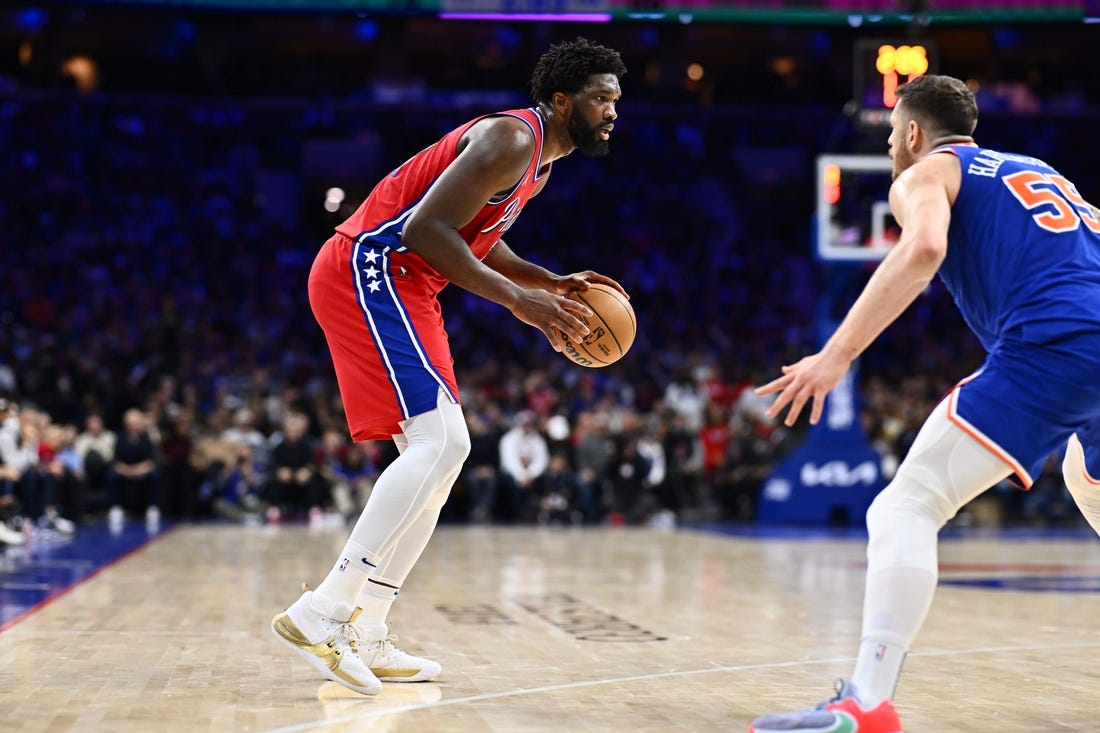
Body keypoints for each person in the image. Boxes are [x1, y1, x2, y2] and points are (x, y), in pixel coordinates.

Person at [271, 37, 629, 696]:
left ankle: (368, 624)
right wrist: (520, 301)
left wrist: (541, 279)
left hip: (410, 285)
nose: (612, 110)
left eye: (616, 99)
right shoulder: (511, 140)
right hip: (371, 269)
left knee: (445, 450)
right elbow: (424, 230)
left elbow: (474, 236)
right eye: (601, 97)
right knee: (441, 442)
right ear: (560, 99)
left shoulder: (539, 162)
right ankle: (324, 609)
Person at [749, 74, 1100, 733]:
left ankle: (867, 700)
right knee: (1087, 482)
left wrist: (836, 355)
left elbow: (925, 247)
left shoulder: (924, 173)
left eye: (889, 136)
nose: (889, 148)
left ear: (912, 132)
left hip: (1056, 344)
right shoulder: (1038, 171)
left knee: (906, 505)